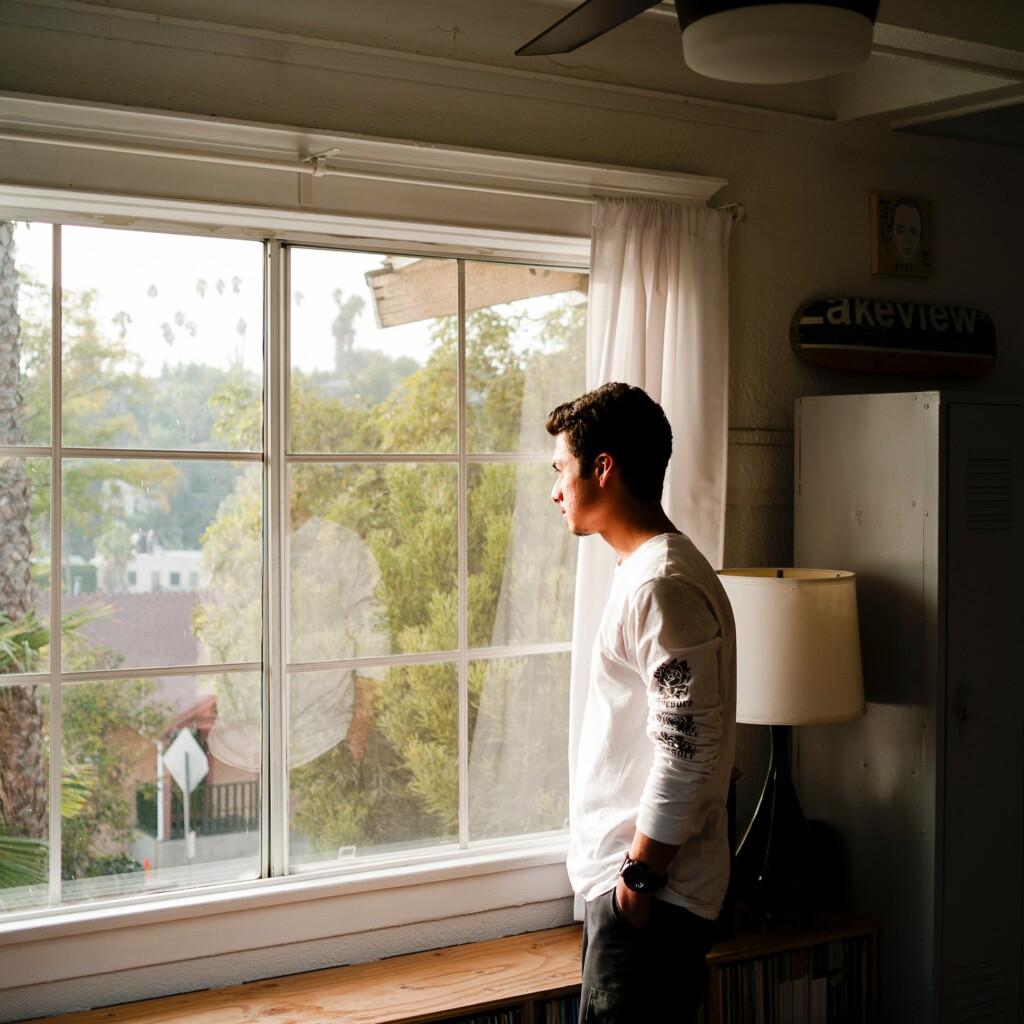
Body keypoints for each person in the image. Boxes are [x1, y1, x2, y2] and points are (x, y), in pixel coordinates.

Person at [547, 382, 736, 1023]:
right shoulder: (648, 570)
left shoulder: (661, 583)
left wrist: (637, 881)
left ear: (604, 469)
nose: (555, 492)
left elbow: (687, 749)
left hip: (654, 903)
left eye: (561, 471)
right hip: (645, 897)